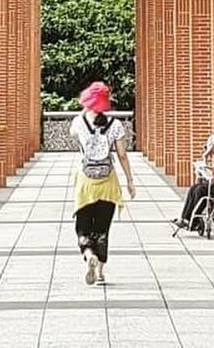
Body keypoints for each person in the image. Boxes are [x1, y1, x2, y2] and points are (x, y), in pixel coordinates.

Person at [70, 80, 136, 287]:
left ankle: (88, 253)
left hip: (85, 181)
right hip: (108, 181)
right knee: (102, 228)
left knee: (83, 225)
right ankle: (99, 273)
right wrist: (130, 181)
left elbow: (75, 136)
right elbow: (123, 155)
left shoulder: (78, 122)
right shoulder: (115, 125)